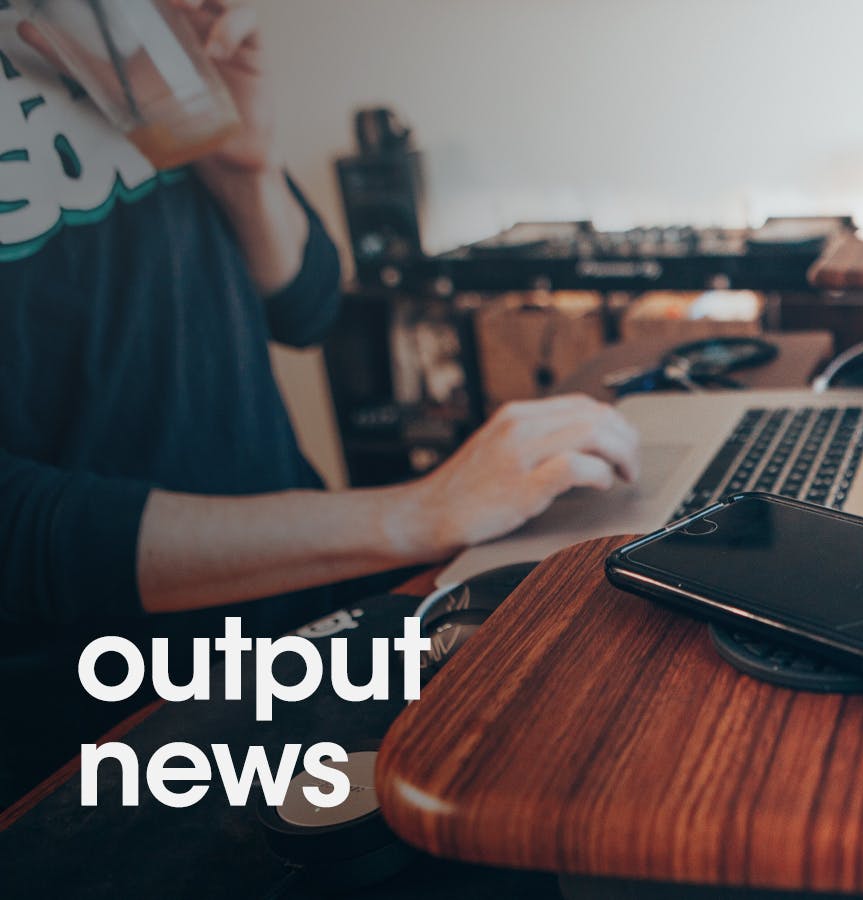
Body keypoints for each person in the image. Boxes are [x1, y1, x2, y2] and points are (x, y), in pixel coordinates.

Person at [0, 0, 641, 805]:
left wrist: (248, 167)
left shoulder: (107, 21)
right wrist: (414, 513)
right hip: (109, 714)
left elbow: (304, 305)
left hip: (305, 613)